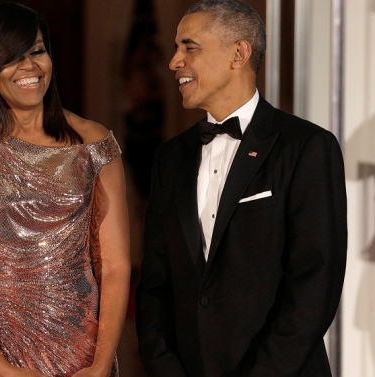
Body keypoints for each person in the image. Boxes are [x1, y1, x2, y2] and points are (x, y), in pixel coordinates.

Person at [136, 1, 347, 376]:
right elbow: (155, 285)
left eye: (189, 47)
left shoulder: (307, 147)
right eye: (175, 48)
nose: (173, 61)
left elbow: (315, 285)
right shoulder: (171, 158)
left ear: (239, 53)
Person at [0, 2, 130, 376]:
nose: (30, 67)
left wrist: (99, 365)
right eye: (12, 57)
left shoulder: (93, 143)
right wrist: (2, 369)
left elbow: (114, 267)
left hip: (78, 353)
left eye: (37, 51)